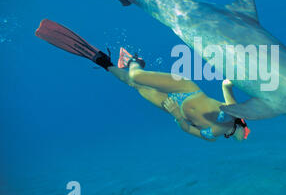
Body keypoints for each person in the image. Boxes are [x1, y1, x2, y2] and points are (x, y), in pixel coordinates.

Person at [35, 18, 250, 141]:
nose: (245, 136)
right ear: (242, 125)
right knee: (137, 75)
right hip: (186, 89)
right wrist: (243, 72)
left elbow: (186, 129)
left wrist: (176, 115)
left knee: (133, 84)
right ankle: (136, 60)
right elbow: (226, 84)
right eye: (247, 132)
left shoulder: (211, 136)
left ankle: (103, 61)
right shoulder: (234, 111)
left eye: (245, 136)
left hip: (172, 106)